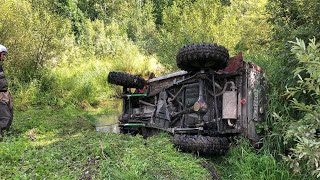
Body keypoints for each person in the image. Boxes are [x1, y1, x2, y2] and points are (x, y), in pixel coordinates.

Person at [0, 44, 13, 136]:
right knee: (6, 116)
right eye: (3, 54)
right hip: (0, 96)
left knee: (8, 114)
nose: (4, 56)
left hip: (4, 94)